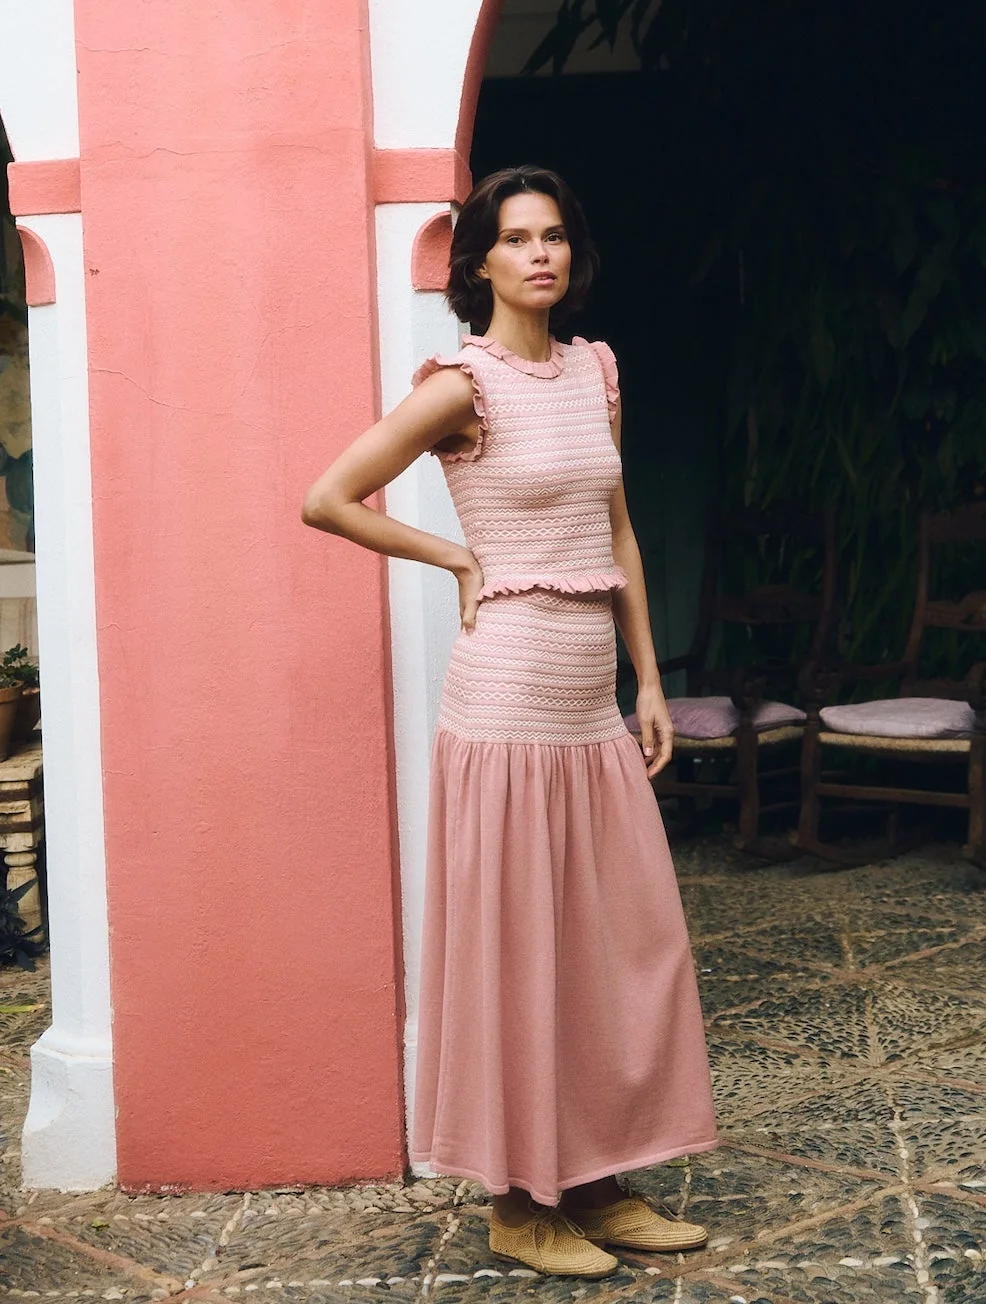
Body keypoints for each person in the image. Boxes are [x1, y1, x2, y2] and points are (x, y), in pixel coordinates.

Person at [303, 165, 717, 1278]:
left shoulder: (597, 371)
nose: (541, 254)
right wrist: (454, 557)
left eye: (555, 236)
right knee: (518, 952)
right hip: (505, 698)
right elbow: (327, 498)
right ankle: (516, 1201)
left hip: (589, 701)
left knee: (613, 945)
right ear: (479, 261)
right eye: (517, 238)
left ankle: (599, 1180)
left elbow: (618, 532)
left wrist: (648, 682)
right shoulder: (461, 385)